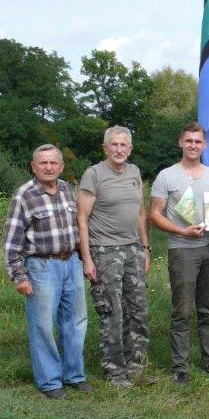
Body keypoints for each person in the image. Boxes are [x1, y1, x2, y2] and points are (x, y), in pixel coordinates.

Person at [3, 144, 89, 398]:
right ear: (34, 167)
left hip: (71, 262)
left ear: (61, 166)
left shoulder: (66, 189)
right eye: (43, 163)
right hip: (41, 266)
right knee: (42, 325)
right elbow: (11, 242)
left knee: (76, 321)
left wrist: (84, 260)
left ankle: (74, 375)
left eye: (53, 163)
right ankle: (50, 382)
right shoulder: (24, 196)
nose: (49, 167)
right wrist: (19, 275)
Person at [148, 122, 209, 384]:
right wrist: (183, 232)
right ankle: (180, 367)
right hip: (183, 249)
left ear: (205, 145)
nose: (193, 145)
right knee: (181, 310)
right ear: (181, 143)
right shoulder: (167, 176)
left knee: (208, 308)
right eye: (189, 141)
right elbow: (154, 215)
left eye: (198, 141)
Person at [77, 125, 151, 387]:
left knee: (138, 310)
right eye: (114, 144)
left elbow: (141, 213)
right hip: (105, 251)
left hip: (133, 249)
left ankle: (136, 367)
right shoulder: (94, 174)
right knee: (113, 312)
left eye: (124, 145)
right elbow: (82, 219)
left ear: (130, 149)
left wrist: (145, 248)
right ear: (105, 148)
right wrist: (87, 259)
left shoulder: (134, 172)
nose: (119, 150)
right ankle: (114, 371)